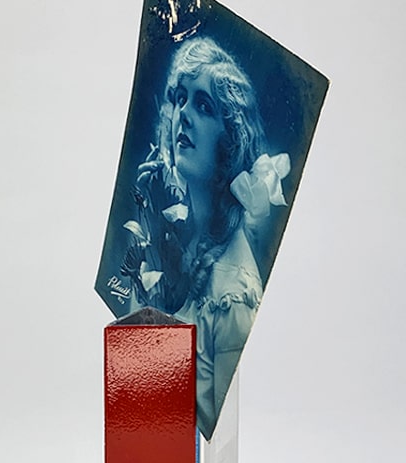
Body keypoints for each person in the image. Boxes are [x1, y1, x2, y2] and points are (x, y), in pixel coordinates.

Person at [122, 36, 290, 437]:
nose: (184, 115)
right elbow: (140, 378)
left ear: (230, 138)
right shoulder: (167, 239)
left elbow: (210, 430)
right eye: (180, 99)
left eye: (203, 105)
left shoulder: (233, 293)